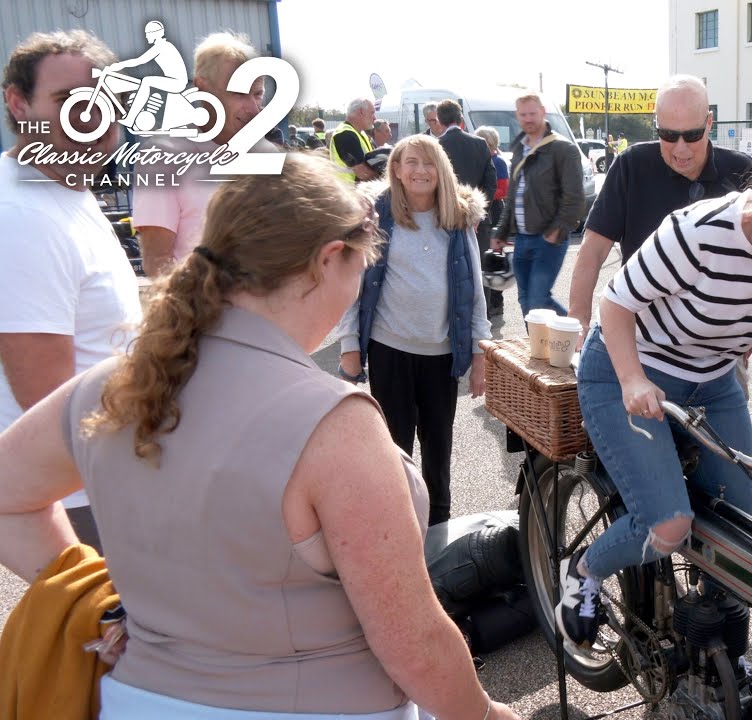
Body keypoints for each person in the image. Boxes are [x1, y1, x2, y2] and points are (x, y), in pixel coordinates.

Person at [0, 152, 519, 720]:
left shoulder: (112, 384)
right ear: (328, 259)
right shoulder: (335, 424)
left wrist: (100, 602)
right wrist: (488, 715)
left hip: (133, 699)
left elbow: (9, 499)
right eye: (359, 269)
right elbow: (413, 643)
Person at [560, 112, 752, 660]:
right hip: (627, 369)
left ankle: (714, 644)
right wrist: (633, 379)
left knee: (742, 531)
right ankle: (583, 571)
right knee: (670, 522)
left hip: (712, 379)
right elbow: (616, 303)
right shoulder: (698, 232)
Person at [0, 29, 142, 553]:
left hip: (100, 477)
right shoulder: (21, 216)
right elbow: (47, 401)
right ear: (19, 103)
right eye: (66, 100)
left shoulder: (64, 191)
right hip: (81, 495)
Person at [338, 135, 490, 527]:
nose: (420, 170)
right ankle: (397, 528)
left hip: (441, 356)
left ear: (441, 171)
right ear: (397, 170)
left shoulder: (458, 220)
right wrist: (349, 345)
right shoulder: (376, 216)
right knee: (394, 451)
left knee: (438, 453)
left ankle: (439, 533)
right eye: (411, 162)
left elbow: (474, 292)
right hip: (389, 351)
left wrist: (480, 353)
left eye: (429, 163)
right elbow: (353, 283)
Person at [569, 75, 752, 345]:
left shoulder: (745, 174)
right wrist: (578, 319)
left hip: (717, 347)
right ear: (656, 124)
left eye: (692, 135)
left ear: (709, 123)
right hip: (641, 340)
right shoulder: (631, 166)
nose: (681, 148)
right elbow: (593, 249)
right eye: (668, 135)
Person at [133, 32, 265, 277]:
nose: (254, 109)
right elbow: (158, 263)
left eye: (257, 94)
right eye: (238, 93)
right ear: (202, 88)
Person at [492, 93, 585, 317]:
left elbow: (574, 197)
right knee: (526, 303)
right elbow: (514, 196)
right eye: (523, 115)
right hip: (522, 239)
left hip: (548, 239)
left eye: (532, 113)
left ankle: (578, 336)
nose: (528, 119)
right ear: (517, 116)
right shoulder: (519, 148)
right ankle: (539, 350)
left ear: (543, 112)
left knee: (538, 300)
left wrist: (557, 231)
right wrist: (501, 231)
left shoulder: (563, 149)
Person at [436, 100, 499, 316]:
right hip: (478, 221)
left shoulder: (435, 146)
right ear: (461, 119)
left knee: (447, 271)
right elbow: (491, 183)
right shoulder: (480, 144)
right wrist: (477, 214)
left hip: (444, 219)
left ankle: (452, 314)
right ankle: (484, 316)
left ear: (439, 120)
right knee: (479, 268)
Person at [108, 21, 186, 131]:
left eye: (148, 33)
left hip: (176, 82)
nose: (146, 36)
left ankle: (131, 118)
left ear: (155, 34)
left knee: (146, 81)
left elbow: (140, 60)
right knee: (145, 83)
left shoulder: (161, 46)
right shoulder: (163, 45)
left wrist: (118, 66)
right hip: (173, 80)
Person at [476, 125, 511, 316]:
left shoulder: (498, 162)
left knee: (493, 259)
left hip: (496, 210)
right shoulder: (485, 160)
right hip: (488, 209)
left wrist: (480, 195)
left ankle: (496, 303)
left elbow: (503, 190)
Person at [329, 97, 377, 183]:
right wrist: (384, 180)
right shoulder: (345, 135)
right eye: (372, 113)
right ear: (361, 112)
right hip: (348, 192)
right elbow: (362, 172)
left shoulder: (359, 133)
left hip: (355, 192)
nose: (374, 118)